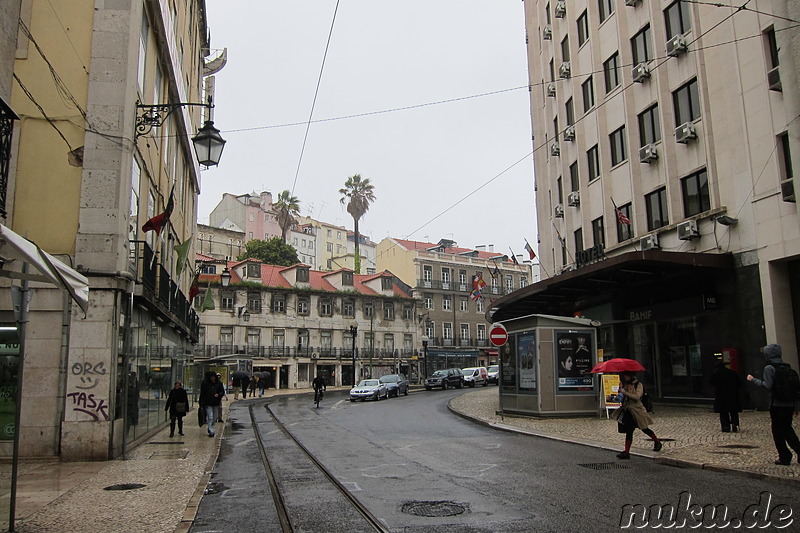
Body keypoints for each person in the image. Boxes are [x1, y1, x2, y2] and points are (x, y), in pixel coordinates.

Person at [747, 344, 800, 465]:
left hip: (776, 404)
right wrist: (796, 406)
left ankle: (784, 456)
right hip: (789, 404)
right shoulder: (787, 367)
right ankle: (798, 450)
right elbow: (795, 389)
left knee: (777, 431)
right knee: (787, 428)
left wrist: (753, 380)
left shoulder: (769, 368)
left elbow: (767, 385)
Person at [614, 372, 662, 459]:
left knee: (644, 428)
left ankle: (657, 441)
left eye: (626, 375)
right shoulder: (625, 384)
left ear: (630, 376)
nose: (625, 377)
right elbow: (622, 396)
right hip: (628, 411)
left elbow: (637, 397)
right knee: (629, 431)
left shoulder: (639, 385)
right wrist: (619, 392)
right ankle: (626, 452)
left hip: (637, 411)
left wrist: (625, 392)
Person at [710, 358, 742, 432]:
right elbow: (739, 383)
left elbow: (711, 382)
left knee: (723, 412)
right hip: (733, 394)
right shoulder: (732, 372)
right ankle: (734, 423)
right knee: (734, 411)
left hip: (721, 395)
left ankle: (725, 426)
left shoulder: (715, 374)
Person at [199, 372, 226, 438]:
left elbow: (222, 392)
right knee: (210, 416)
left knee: (215, 417)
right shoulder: (205, 384)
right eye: (211, 377)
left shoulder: (219, 383)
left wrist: (218, 395)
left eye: (214, 377)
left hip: (216, 403)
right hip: (208, 403)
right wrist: (201, 402)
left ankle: (211, 427)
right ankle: (211, 429)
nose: (213, 378)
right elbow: (202, 393)